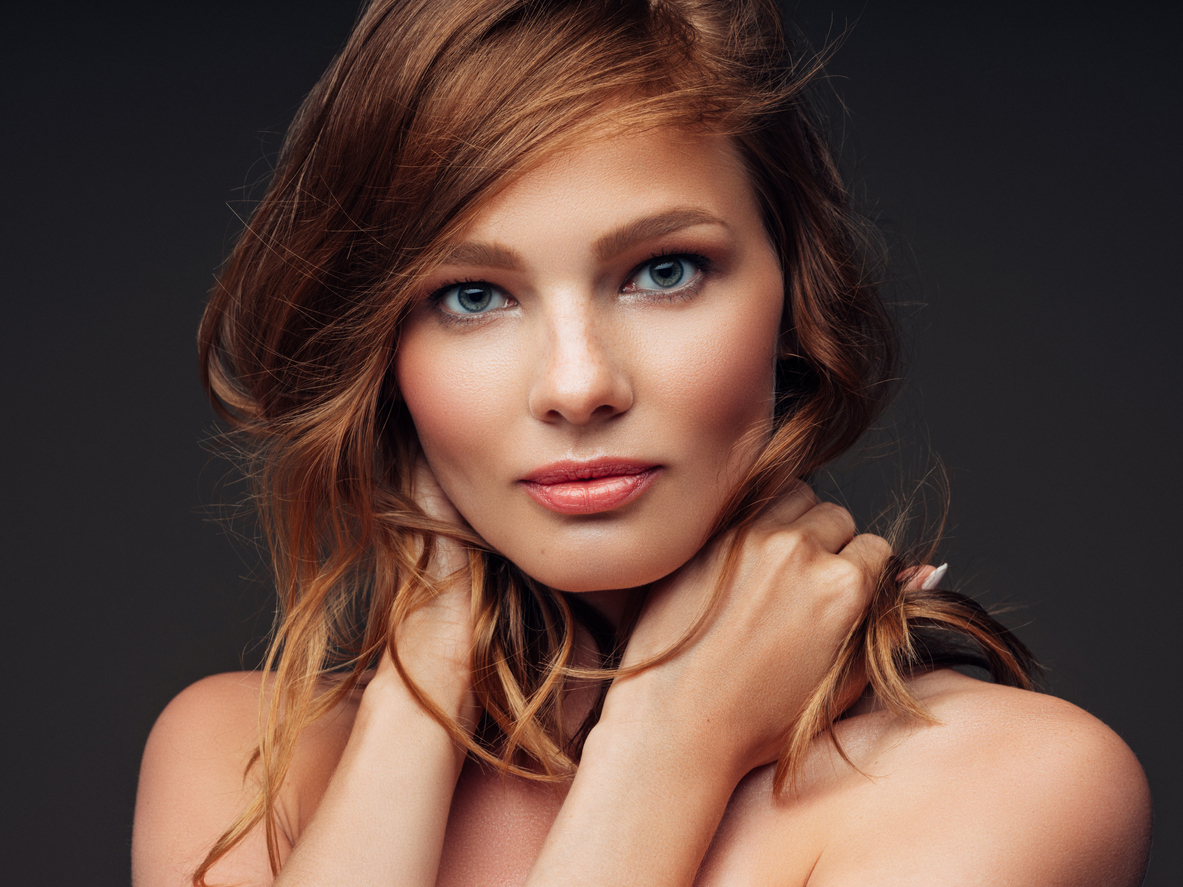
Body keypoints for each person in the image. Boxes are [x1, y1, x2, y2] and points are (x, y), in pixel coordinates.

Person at [131, 1, 1151, 884]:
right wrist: (422, 678)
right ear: (384, 347)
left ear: (794, 291)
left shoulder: (1007, 785)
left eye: (662, 271)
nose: (578, 384)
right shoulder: (239, 761)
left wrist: (668, 745)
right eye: (472, 295)